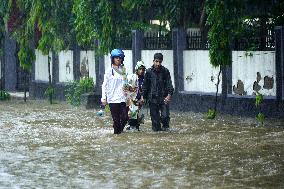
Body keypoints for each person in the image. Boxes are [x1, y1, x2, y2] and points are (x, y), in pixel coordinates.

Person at [141, 53, 174, 131]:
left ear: (161, 62)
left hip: (163, 98)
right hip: (152, 99)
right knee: (155, 124)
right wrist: (143, 97)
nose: (158, 64)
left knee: (165, 117)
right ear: (153, 61)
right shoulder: (148, 72)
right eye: (156, 61)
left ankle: (166, 132)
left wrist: (169, 95)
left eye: (160, 62)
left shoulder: (165, 71)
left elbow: (169, 84)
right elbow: (145, 86)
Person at [101, 49, 129, 134]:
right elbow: (104, 85)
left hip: (123, 98)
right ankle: (117, 136)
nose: (118, 59)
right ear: (113, 59)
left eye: (120, 58)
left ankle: (119, 132)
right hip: (113, 99)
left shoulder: (124, 70)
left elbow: (127, 83)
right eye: (116, 58)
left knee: (125, 117)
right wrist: (103, 98)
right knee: (116, 120)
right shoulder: (109, 71)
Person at [126, 61, 146, 131]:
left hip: (140, 102)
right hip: (133, 101)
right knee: (132, 121)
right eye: (140, 69)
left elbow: (144, 90)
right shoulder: (132, 77)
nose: (141, 71)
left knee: (138, 121)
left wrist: (142, 99)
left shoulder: (145, 79)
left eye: (143, 69)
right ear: (136, 69)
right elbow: (127, 90)